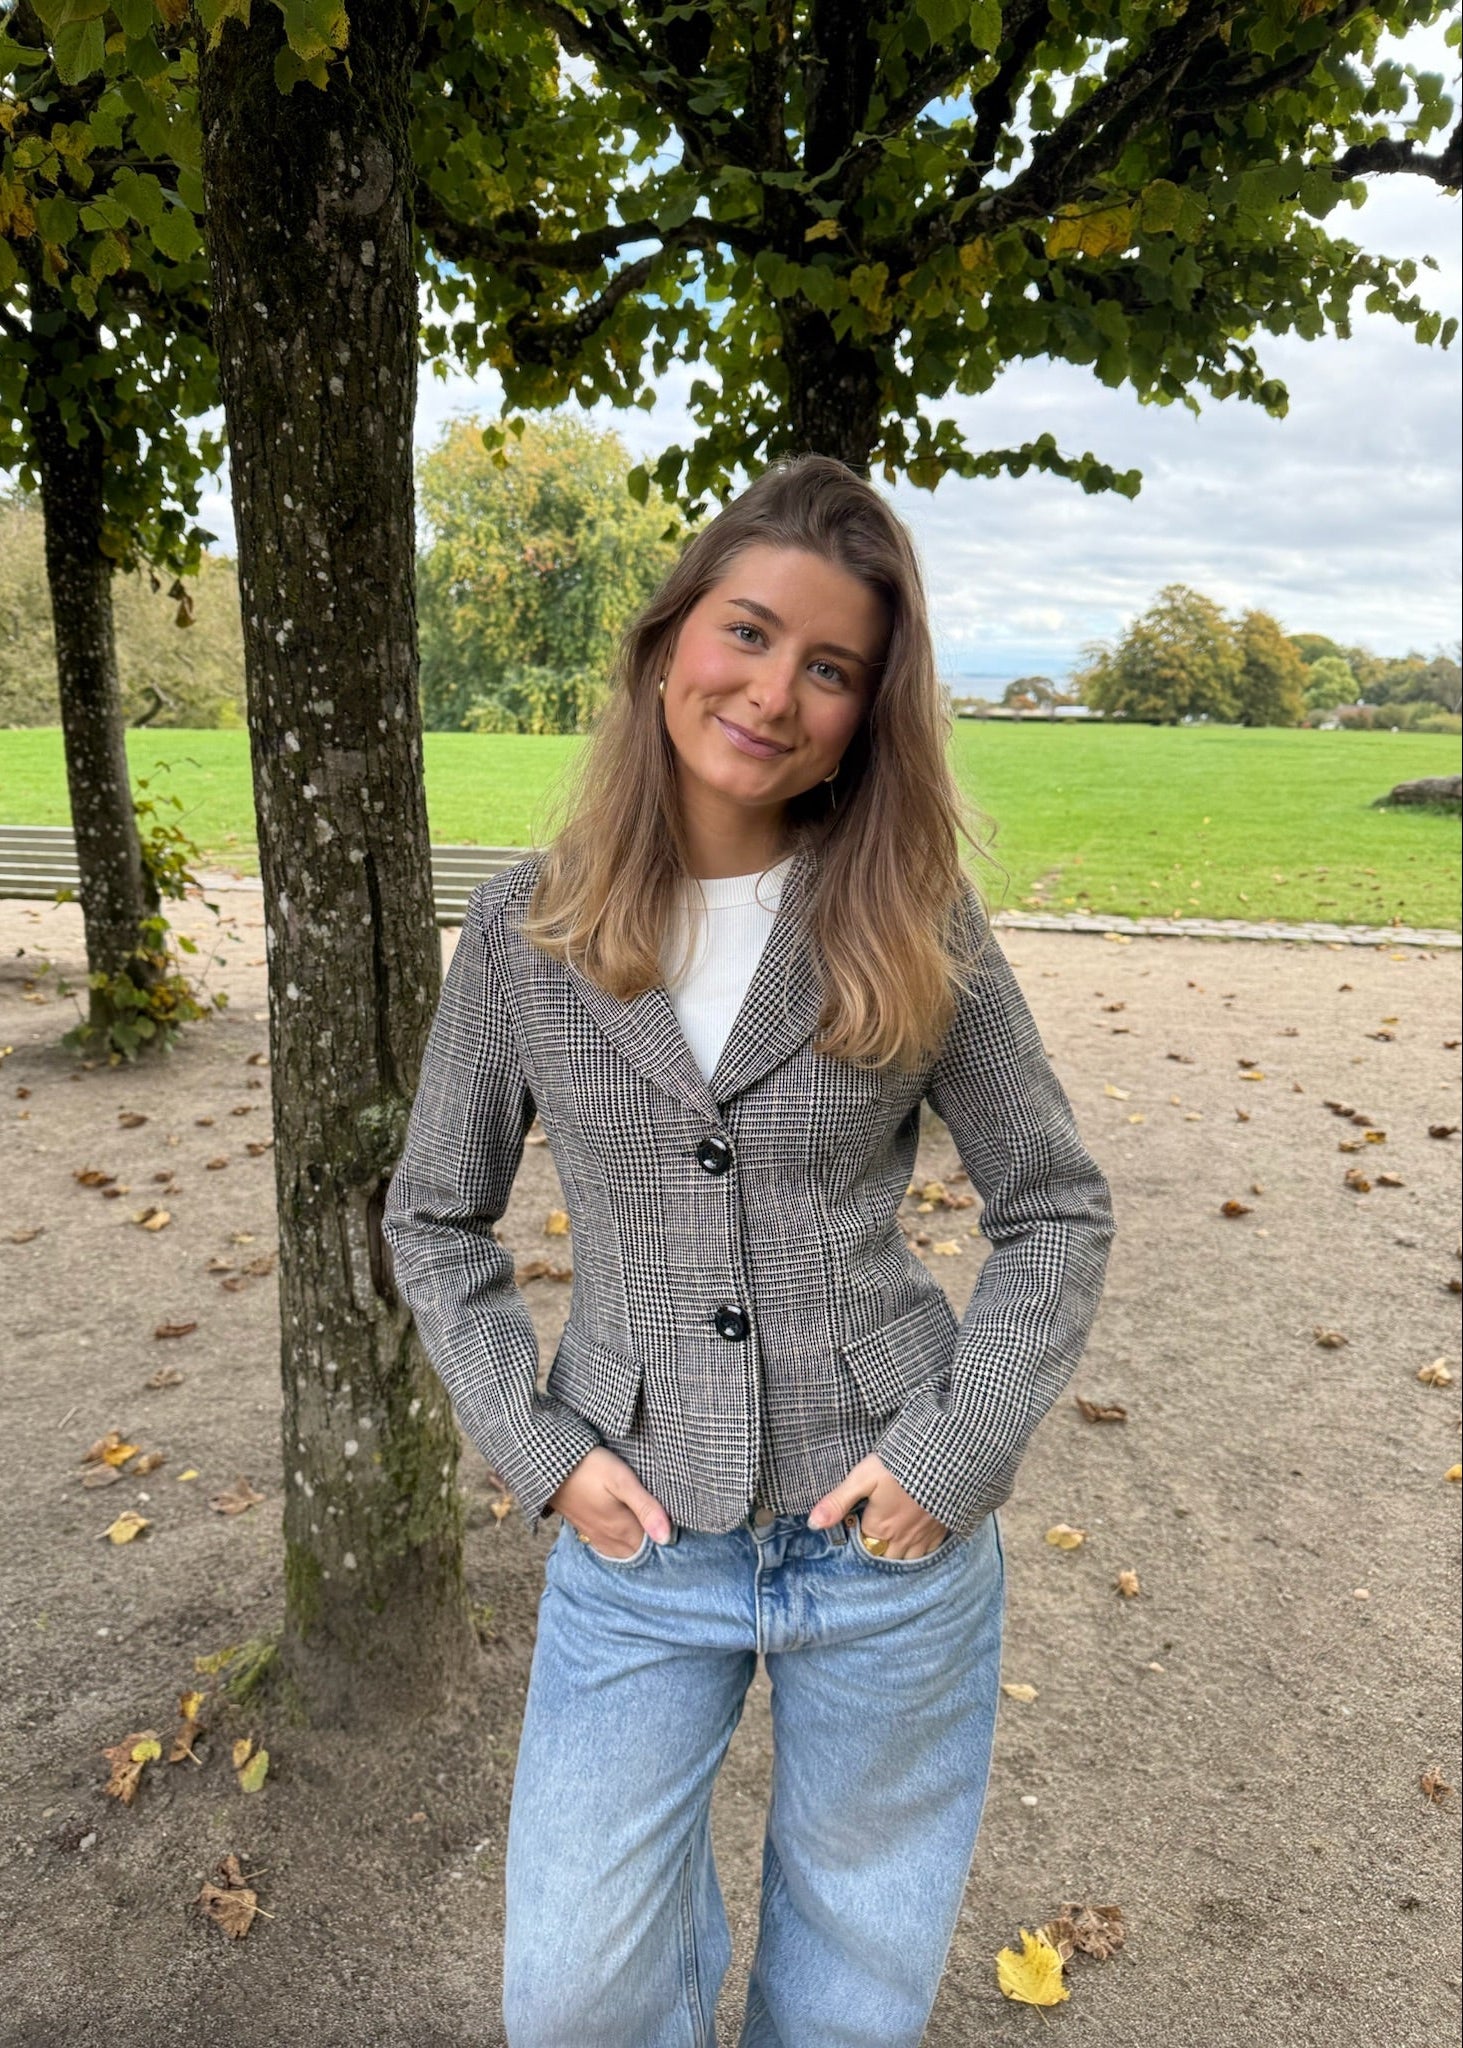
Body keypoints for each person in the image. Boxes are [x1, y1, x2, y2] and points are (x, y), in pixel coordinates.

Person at [381, 453, 1115, 2047]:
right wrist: (542, 1453)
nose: (776, 693)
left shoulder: (913, 914)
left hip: (889, 1541)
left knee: (851, 1991)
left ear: (867, 714)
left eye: (833, 668)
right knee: (575, 1988)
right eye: (749, 632)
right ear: (666, 646)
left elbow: (1057, 1205)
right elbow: (432, 1217)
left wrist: (954, 1452)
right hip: (640, 1539)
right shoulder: (524, 931)